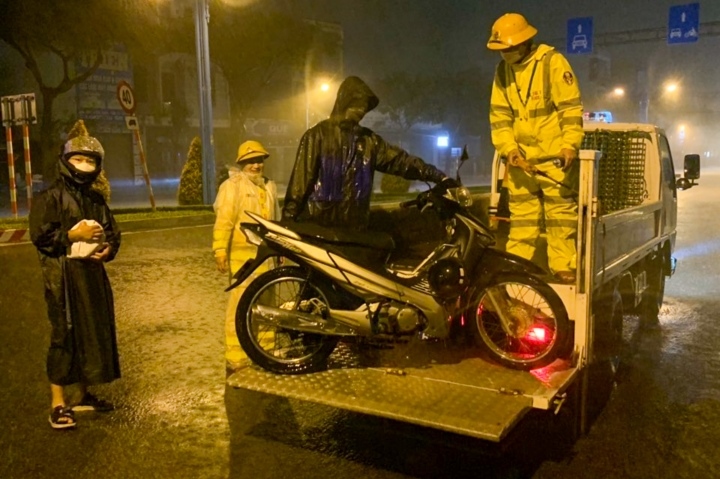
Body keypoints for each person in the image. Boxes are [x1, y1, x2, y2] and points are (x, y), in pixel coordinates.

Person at [29, 121, 121, 429]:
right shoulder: (50, 197)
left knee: (92, 333)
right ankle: (58, 403)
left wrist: (107, 248)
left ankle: (84, 394)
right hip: (62, 277)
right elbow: (41, 236)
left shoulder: (95, 200)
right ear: (66, 161)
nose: (84, 165)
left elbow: (112, 231)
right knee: (64, 335)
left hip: (92, 275)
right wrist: (72, 234)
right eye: (78, 158)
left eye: (91, 160)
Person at [282, 75, 456, 231]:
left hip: (355, 229)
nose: (361, 111)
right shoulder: (317, 135)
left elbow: (401, 161)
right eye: (357, 105)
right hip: (318, 227)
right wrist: (288, 220)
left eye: (364, 107)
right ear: (344, 102)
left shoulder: (369, 141)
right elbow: (300, 182)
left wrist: (439, 176)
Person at [487, 13, 584, 284]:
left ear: (523, 42)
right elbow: (499, 118)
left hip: (555, 160)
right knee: (523, 222)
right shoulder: (502, 72)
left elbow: (570, 109)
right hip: (521, 163)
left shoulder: (552, 62)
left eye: (507, 48)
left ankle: (563, 266)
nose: (504, 54)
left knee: (560, 217)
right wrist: (510, 151)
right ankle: (518, 269)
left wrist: (569, 146)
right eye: (500, 50)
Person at [213, 140, 280, 372]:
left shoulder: (270, 187)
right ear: (242, 163)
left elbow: (275, 223)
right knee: (240, 307)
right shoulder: (232, 186)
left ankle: (266, 352)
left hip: (268, 259)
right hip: (243, 262)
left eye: (259, 160)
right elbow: (224, 221)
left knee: (267, 306)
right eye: (251, 161)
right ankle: (236, 357)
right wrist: (220, 249)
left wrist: (281, 251)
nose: (256, 165)